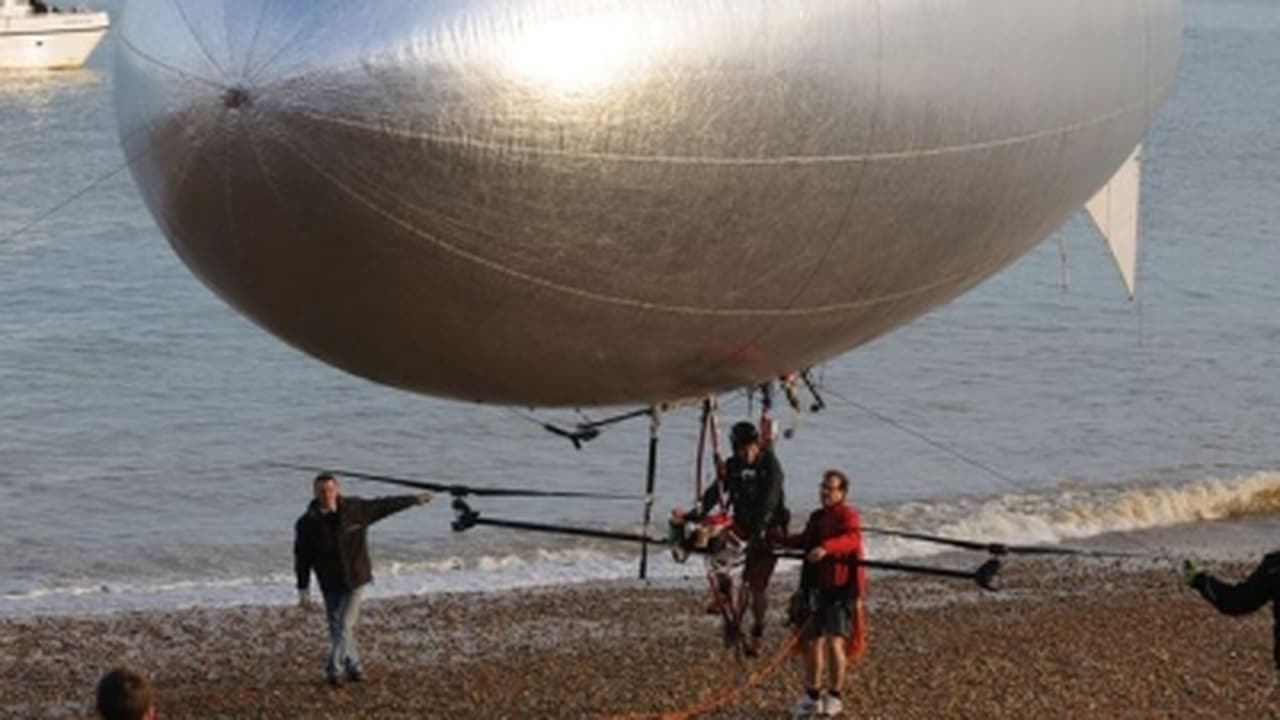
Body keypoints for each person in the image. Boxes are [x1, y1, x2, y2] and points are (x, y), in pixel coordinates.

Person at [294, 471, 432, 686]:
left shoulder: (355, 509)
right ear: (314, 493)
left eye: (330, 490)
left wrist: (414, 500)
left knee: (344, 626)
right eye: (322, 491)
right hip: (329, 582)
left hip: (356, 579)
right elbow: (302, 558)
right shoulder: (306, 523)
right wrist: (303, 588)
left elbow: (385, 506)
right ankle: (354, 666)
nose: (326, 494)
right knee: (337, 628)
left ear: (337, 490)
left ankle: (333, 669)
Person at [699, 420, 789, 655]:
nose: (746, 453)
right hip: (742, 524)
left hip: (769, 529)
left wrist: (759, 532)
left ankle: (758, 630)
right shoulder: (733, 465)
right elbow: (714, 493)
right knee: (715, 543)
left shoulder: (771, 465)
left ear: (757, 444)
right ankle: (725, 591)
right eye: (740, 449)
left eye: (750, 448)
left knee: (756, 586)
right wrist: (697, 513)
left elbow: (770, 499)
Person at [786, 469, 866, 718]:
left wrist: (826, 548)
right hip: (814, 587)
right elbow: (804, 541)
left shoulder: (847, 515)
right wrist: (778, 539)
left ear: (841, 493)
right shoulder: (817, 516)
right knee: (812, 643)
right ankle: (812, 695)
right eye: (822, 487)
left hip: (840, 588)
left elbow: (852, 539)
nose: (824, 492)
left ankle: (835, 696)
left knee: (834, 642)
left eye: (830, 488)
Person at [1183, 552, 1280, 671]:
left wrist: (1199, 580)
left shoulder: (1275, 566)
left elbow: (1237, 602)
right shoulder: (1274, 567)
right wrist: (1200, 581)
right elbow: (1238, 601)